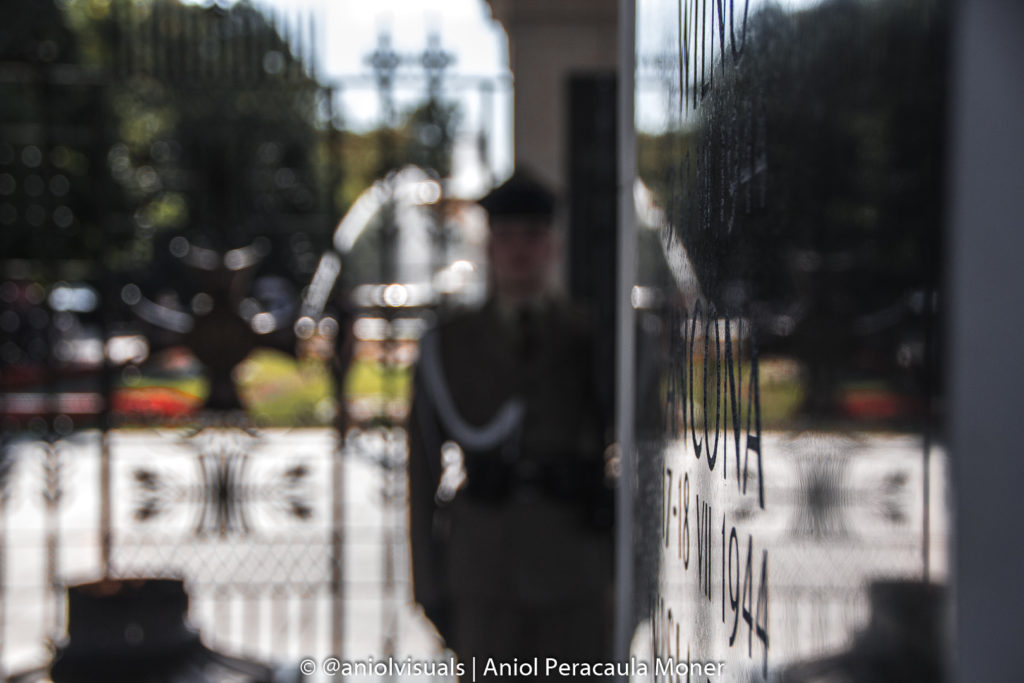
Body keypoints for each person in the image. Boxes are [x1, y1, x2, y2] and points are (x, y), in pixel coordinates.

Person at [407, 170, 613, 677]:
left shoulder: (593, 336)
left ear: (555, 247)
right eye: (506, 237)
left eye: (534, 237)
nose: (520, 250)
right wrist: (428, 584)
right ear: (489, 247)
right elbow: (421, 468)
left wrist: (635, 581)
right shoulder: (448, 343)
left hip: (576, 570)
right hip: (483, 572)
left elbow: (640, 445)